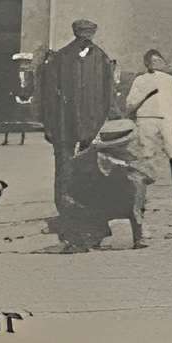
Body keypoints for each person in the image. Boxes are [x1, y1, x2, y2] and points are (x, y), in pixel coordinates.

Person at [40, 19, 119, 209]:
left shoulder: (101, 58)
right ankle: (64, 207)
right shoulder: (61, 58)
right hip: (64, 121)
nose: (85, 38)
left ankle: (85, 207)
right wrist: (49, 125)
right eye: (81, 34)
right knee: (64, 166)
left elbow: (108, 92)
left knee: (89, 165)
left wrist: (106, 119)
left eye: (88, 35)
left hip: (92, 121)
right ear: (75, 34)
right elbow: (49, 94)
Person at [58, 118, 150, 252]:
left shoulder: (131, 161)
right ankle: (98, 232)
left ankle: (137, 234)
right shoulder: (86, 159)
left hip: (119, 197)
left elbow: (145, 178)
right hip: (98, 199)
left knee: (136, 187)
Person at [127, 49, 172, 198]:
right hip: (146, 118)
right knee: (146, 154)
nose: (155, 63)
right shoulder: (139, 80)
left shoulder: (169, 79)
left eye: (158, 60)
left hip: (166, 119)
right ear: (146, 63)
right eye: (152, 61)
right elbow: (130, 103)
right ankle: (142, 192)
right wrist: (144, 96)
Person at [0, 52, 39, 146]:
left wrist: (29, 96)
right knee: (10, 119)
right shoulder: (13, 74)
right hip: (15, 97)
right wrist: (14, 94)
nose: (24, 65)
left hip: (26, 98)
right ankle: (6, 138)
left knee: (23, 119)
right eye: (22, 63)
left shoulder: (30, 74)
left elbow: (32, 86)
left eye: (26, 63)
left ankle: (22, 138)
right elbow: (10, 85)